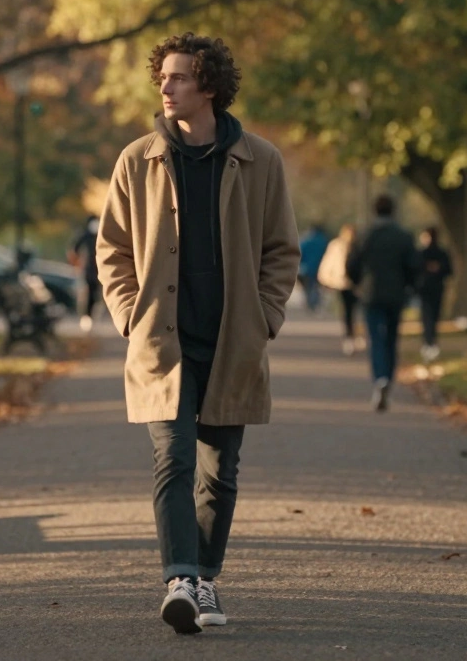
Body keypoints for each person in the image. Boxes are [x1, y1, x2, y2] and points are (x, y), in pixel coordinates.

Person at [96, 32, 300, 635]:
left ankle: (206, 576)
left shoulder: (261, 160)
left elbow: (281, 249)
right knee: (173, 459)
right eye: (162, 77)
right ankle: (180, 580)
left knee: (220, 471)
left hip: (232, 340)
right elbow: (112, 249)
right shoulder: (137, 160)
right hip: (163, 342)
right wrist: (129, 314)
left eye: (179, 77)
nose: (166, 87)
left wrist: (265, 316)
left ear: (208, 85)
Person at [346, 194, 420, 412]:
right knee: (391, 338)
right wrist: (409, 286)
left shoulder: (366, 235)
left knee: (376, 337)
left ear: (375, 210)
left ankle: (380, 378)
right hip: (396, 293)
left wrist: (357, 282)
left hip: (372, 293)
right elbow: (414, 266)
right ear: (393, 211)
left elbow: (352, 264)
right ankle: (388, 376)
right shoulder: (404, 236)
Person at [317, 224, 362, 356]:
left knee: (357, 312)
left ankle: (355, 335)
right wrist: (326, 279)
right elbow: (328, 263)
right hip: (342, 284)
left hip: (357, 285)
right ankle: (349, 337)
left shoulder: (359, 247)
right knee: (348, 312)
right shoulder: (336, 246)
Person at [418, 227, 453, 362]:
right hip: (431, 289)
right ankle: (430, 341)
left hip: (430, 288)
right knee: (430, 316)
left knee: (429, 316)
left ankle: (429, 341)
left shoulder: (423, 254)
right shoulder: (439, 253)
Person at [69, 215, 102, 333]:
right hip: (88, 270)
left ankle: (92, 316)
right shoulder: (85, 236)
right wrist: (76, 265)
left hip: (101, 270)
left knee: (96, 295)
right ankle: (86, 317)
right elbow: (74, 250)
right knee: (88, 294)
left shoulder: (101, 235)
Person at [297, 224, 329, 312]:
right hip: (321, 269)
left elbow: (299, 253)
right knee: (316, 286)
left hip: (307, 269)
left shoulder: (307, 240)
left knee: (308, 286)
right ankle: (314, 302)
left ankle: (310, 303)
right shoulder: (324, 241)